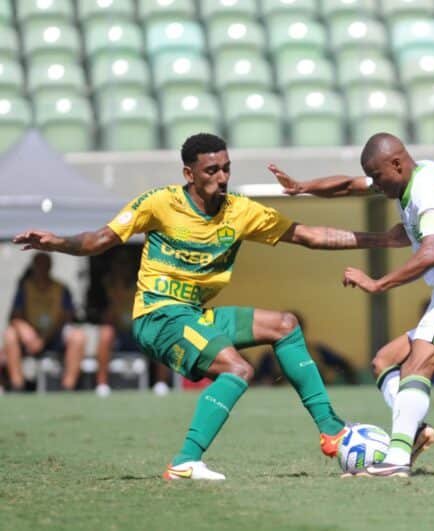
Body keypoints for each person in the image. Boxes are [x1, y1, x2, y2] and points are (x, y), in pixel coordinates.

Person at [10, 133, 394, 480]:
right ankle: (185, 462)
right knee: (238, 369)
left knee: (285, 325)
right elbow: (100, 239)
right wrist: (58, 242)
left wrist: (382, 241)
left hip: (192, 314)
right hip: (158, 316)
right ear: (189, 173)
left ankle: (331, 430)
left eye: (226, 168)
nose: (222, 177)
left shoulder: (241, 211)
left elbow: (310, 235)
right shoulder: (160, 203)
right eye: (212, 170)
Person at [269, 132, 434, 477]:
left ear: (396, 164)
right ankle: (413, 432)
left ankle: (396, 459)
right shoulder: (408, 176)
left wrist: (378, 282)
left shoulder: (426, 189)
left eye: (380, 177)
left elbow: (433, 252)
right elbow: (350, 185)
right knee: (385, 361)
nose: (377, 187)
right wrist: (302, 187)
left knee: (416, 368)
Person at [2, 252, 87, 391]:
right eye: (38, 265)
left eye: (44, 265)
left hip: (55, 334)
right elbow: (14, 317)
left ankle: (68, 386)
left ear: (50, 267)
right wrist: (26, 331)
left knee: (78, 337)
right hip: (31, 337)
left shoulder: (61, 288)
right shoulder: (25, 287)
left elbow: (67, 317)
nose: (41, 268)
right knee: (9, 335)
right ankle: (17, 385)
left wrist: (44, 338)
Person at [94, 250, 172, 397]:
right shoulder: (105, 284)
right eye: (119, 264)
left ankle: (161, 383)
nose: (122, 268)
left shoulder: (143, 282)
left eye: (125, 264)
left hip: (140, 330)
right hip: (118, 333)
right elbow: (102, 315)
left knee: (160, 330)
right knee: (105, 333)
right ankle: (102, 385)